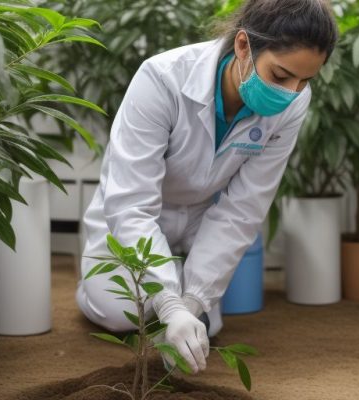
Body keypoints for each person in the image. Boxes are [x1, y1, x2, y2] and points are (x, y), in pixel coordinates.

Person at [76, 0, 337, 374]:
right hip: (139, 213)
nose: (291, 92)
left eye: (305, 81)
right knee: (119, 313)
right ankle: (108, 284)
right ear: (243, 45)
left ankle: (184, 281)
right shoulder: (162, 78)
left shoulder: (293, 102)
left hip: (201, 214)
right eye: (281, 76)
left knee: (205, 324)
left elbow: (243, 208)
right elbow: (132, 203)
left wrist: (191, 303)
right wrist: (170, 305)